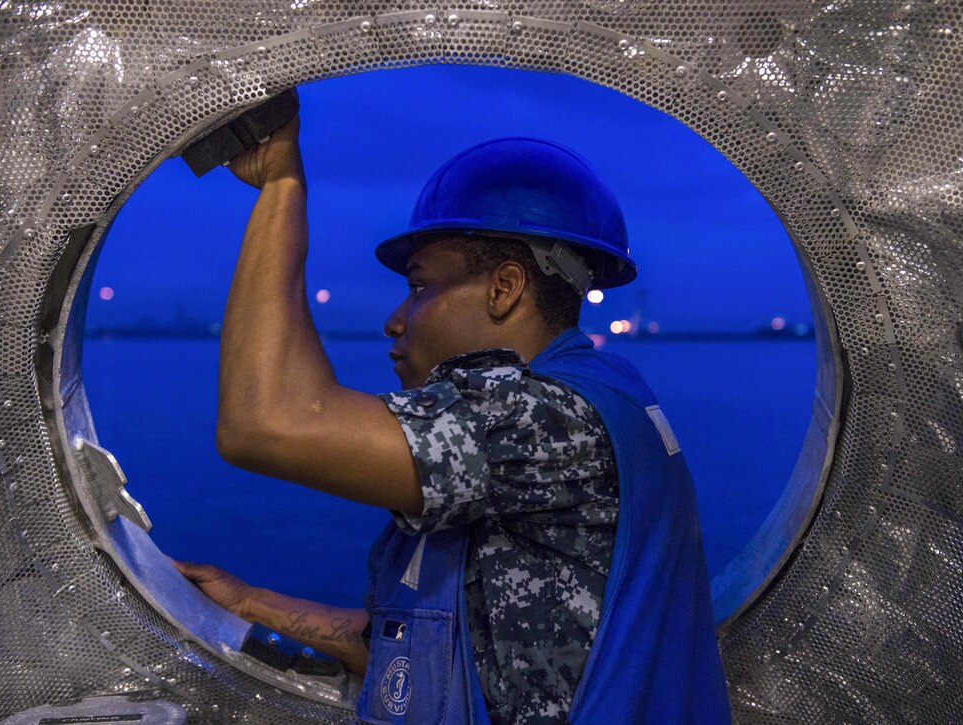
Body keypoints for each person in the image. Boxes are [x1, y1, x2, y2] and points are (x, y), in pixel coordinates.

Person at [174, 110, 732, 724]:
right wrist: (252, 603)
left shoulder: (544, 417)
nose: (395, 319)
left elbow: (264, 421)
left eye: (418, 288)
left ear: (505, 288)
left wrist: (283, 186)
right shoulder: (604, 393)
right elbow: (434, 648)